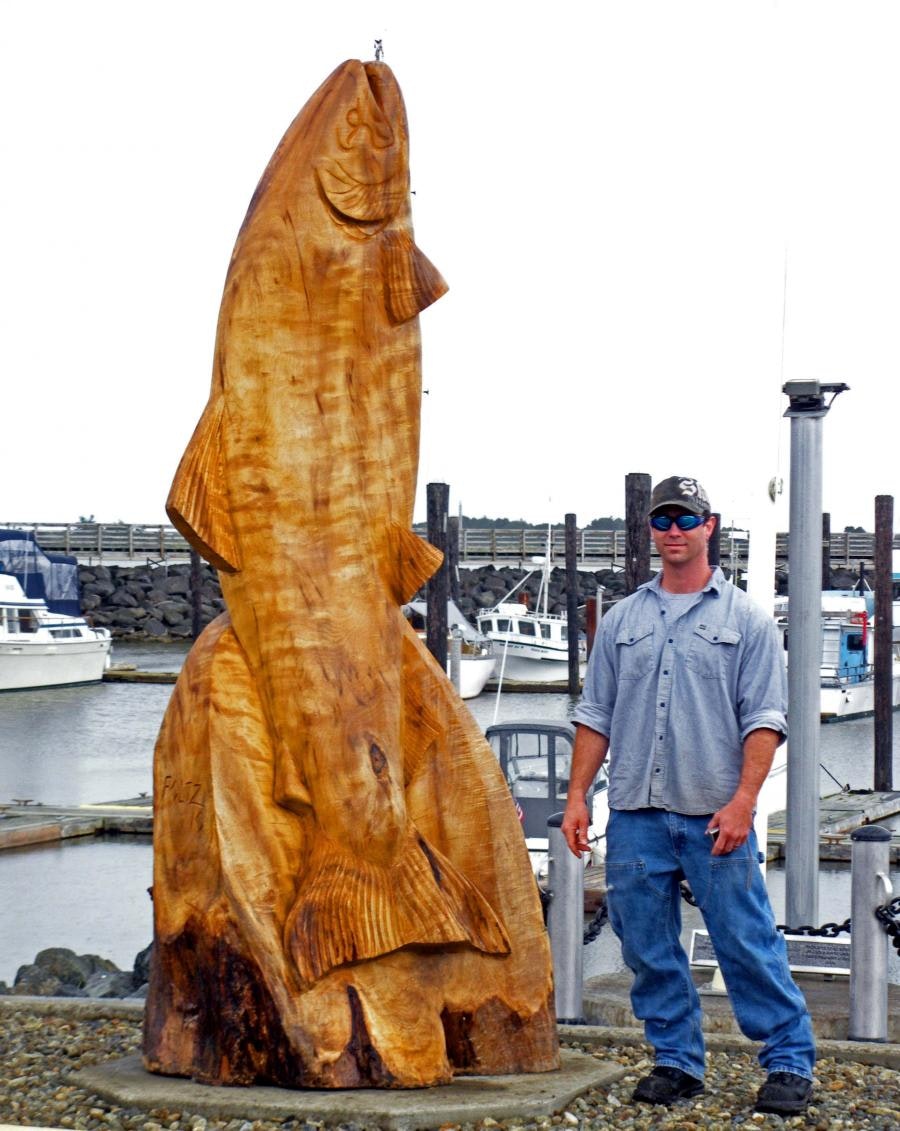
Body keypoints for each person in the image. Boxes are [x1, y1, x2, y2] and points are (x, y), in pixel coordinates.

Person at [562, 475, 816, 1117]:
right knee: (645, 946)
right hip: (635, 815)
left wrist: (743, 803)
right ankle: (676, 1060)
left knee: (746, 941)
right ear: (651, 531)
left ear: (710, 526)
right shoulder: (621, 621)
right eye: (663, 520)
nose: (674, 531)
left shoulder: (749, 622)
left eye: (686, 519)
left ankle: (788, 1061)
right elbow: (595, 715)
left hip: (715, 814)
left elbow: (765, 720)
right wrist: (577, 797)